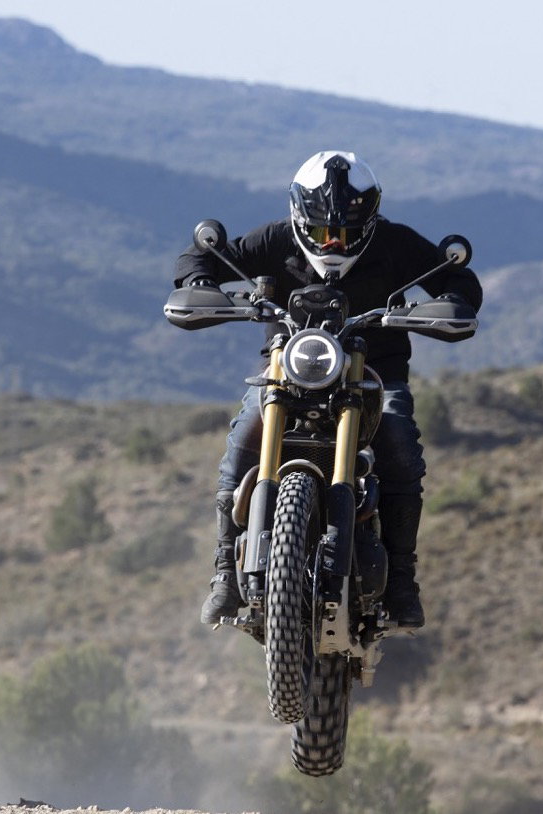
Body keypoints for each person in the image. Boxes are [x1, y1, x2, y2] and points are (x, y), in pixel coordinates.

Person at [173, 150, 482, 629]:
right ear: (300, 217)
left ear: (368, 219)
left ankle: (401, 578)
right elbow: (206, 255)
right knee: (240, 443)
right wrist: (199, 278)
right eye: (323, 233)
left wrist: (453, 298)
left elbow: (455, 276)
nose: (333, 241)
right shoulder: (274, 237)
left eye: (344, 232)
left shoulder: (395, 243)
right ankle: (224, 575)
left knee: (399, 444)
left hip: (374, 371)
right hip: (287, 369)